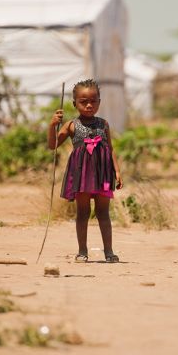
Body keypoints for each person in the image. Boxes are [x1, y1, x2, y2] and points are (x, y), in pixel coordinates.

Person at [48, 79, 123, 263]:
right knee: (82, 213)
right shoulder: (71, 125)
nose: (89, 105)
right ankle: (82, 251)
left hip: (103, 174)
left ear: (99, 101)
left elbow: (110, 149)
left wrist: (117, 171)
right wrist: (52, 125)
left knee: (103, 213)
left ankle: (109, 252)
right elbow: (53, 145)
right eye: (83, 102)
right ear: (75, 104)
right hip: (81, 175)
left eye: (94, 101)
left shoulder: (104, 124)